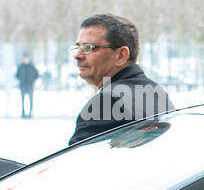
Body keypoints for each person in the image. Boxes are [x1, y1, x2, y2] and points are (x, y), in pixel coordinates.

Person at [69, 14, 173, 145]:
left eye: (88, 48)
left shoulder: (107, 101)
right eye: (78, 47)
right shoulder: (155, 91)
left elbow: (77, 162)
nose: (78, 55)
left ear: (121, 55)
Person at [16, 54, 39, 118]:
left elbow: (36, 75)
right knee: (22, 100)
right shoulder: (20, 67)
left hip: (30, 85)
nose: (25, 60)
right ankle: (23, 112)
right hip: (22, 85)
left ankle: (30, 113)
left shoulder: (32, 67)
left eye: (26, 58)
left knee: (30, 100)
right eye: (24, 58)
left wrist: (32, 80)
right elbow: (17, 75)